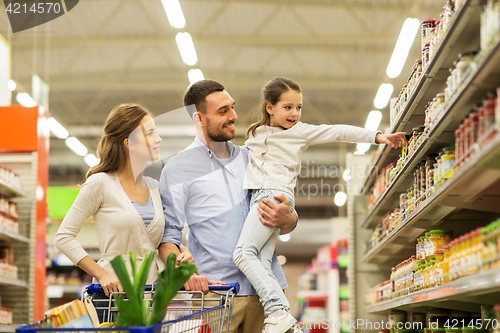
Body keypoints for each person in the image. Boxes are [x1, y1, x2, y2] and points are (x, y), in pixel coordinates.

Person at [232, 77, 406, 333]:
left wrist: (378, 136)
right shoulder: (256, 134)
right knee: (262, 260)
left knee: (242, 254)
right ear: (270, 107)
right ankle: (286, 320)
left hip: (273, 196)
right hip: (259, 195)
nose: (295, 113)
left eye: (299, 107)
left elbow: (337, 131)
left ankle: (276, 312)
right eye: (288, 107)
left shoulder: (299, 132)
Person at [160, 80, 299, 333]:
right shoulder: (178, 168)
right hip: (216, 296)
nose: (234, 116)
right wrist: (182, 272)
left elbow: (286, 218)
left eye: (232, 108)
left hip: (268, 296)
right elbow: (168, 237)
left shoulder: (253, 157)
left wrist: (288, 218)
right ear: (198, 118)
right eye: (223, 111)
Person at [54, 103, 194, 301]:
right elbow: (63, 237)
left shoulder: (155, 187)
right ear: (130, 143)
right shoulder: (100, 183)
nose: (158, 138)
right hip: (113, 294)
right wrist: (102, 275)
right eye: (151, 133)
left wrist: (182, 253)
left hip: (151, 294)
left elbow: (161, 239)